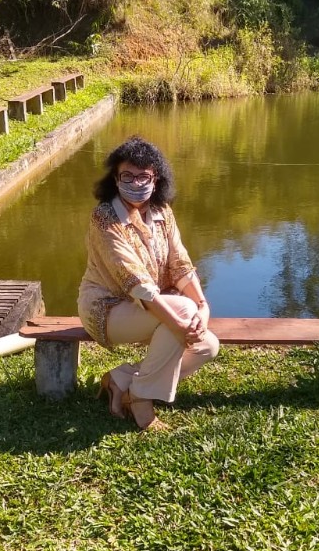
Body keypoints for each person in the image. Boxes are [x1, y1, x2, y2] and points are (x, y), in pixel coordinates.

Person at [78, 136, 219, 431]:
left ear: (157, 178)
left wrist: (203, 308)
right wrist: (182, 325)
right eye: (126, 176)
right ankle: (141, 400)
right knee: (181, 311)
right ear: (115, 179)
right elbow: (136, 282)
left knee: (207, 345)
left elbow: (180, 264)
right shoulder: (104, 217)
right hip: (107, 309)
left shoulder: (163, 213)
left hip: (149, 307)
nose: (135, 183)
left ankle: (123, 380)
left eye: (144, 176)